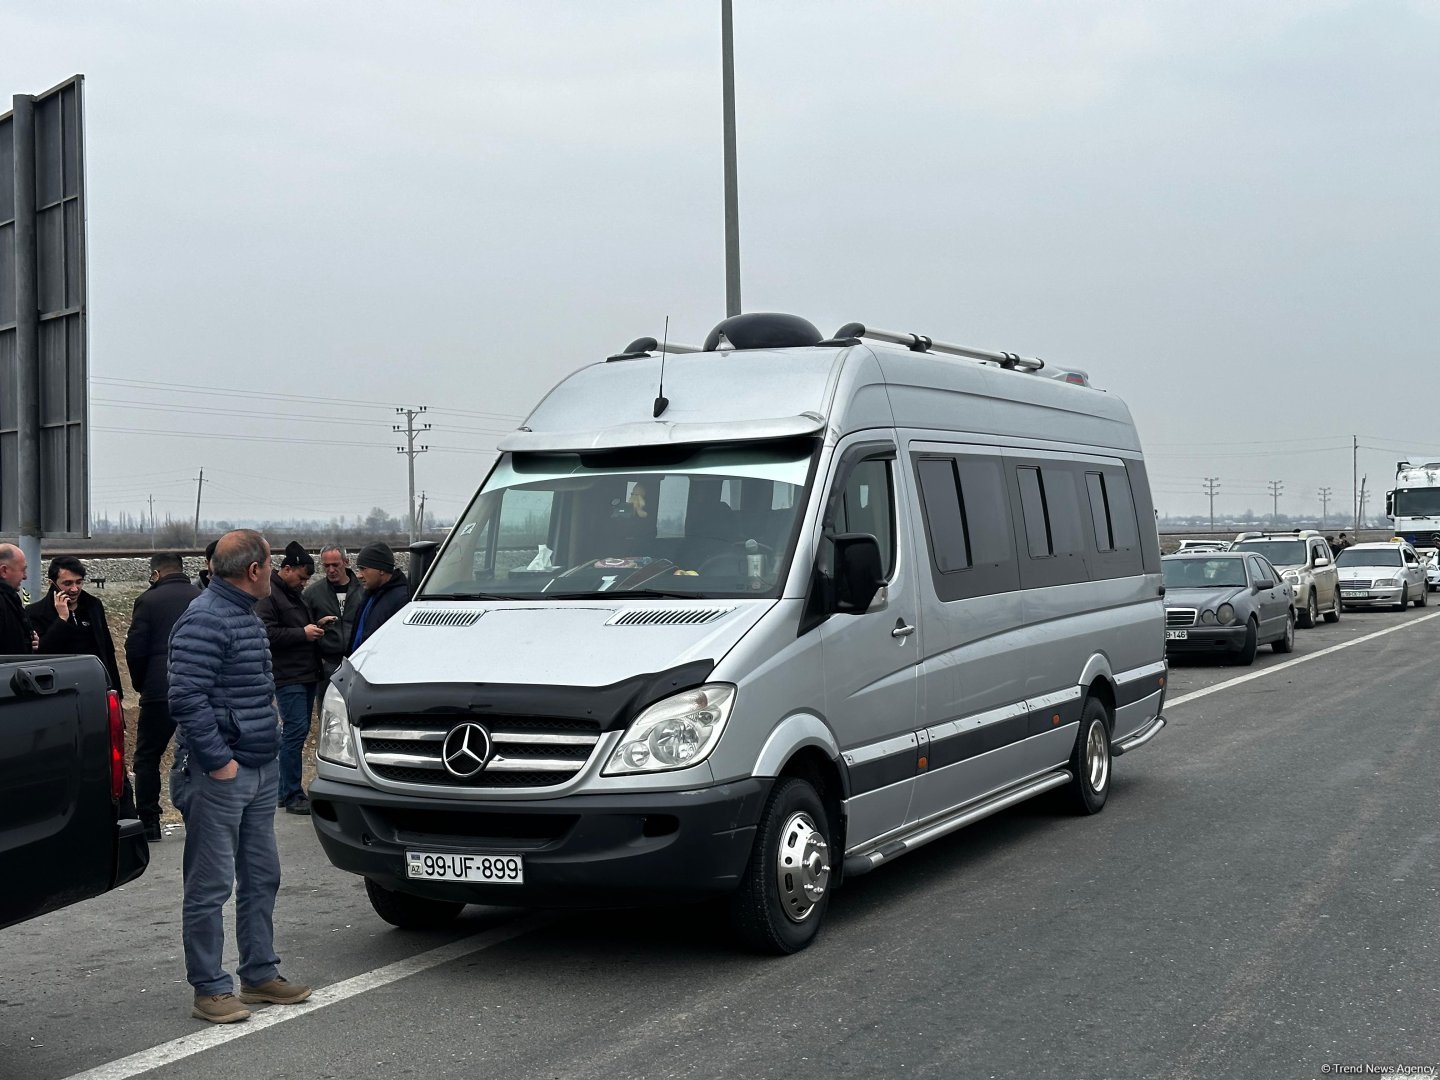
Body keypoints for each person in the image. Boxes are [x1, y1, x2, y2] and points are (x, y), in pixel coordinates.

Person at [167, 529, 311, 1024]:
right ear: (254, 570)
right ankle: (210, 988)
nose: (273, 571)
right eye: (270, 564)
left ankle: (259, 974)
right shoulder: (206, 618)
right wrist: (219, 761)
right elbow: (186, 698)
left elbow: (248, 690)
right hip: (220, 774)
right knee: (210, 885)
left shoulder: (241, 614)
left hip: (257, 765)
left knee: (261, 876)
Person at [124, 553, 201, 842]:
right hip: (196, 687)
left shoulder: (148, 600)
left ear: (155, 573)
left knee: (147, 756)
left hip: (159, 689)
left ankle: (149, 821)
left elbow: (136, 649)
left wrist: (141, 683)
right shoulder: (199, 597)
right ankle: (196, 816)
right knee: (196, 752)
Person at [255, 541, 323, 816]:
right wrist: (303, 634)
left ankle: (287, 791)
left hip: (304, 672)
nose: (304, 583)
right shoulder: (269, 596)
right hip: (289, 675)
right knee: (294, 731)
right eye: (302, 577)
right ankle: (291, 793)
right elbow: (267, 634)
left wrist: (316, 627)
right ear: (287, 569)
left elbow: (293, 627)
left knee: (298, 730)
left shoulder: (292, 594)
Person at [26, 556, 124, 695]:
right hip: (58, 690)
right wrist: (62, 619)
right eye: (67, 583)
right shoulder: (35, 612)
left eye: (79, 582)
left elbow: (107, 650)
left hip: (94, 685)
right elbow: (40, 653)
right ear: (51, 583)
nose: (74, 589)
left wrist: (116, 691)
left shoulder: (93, 605)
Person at [303, 545, 363, 685]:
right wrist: (318, 625)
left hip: (359, 662)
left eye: (335, 565)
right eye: (326, 566)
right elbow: (303, 627)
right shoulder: (312, 593)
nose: (331, 570)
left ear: (346, 561)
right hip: (327, 664)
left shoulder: (364, 590)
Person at [347, 542, 410, 654]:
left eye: (363, 569)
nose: (359, 575)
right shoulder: (370, 594)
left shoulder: (402, 600)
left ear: (381, 570)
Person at [0, 544, 39, 655]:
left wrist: (26, 639)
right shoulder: (4, 601)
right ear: (4, 571)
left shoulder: (8, 598)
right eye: (23, 570)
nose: (25, 576)